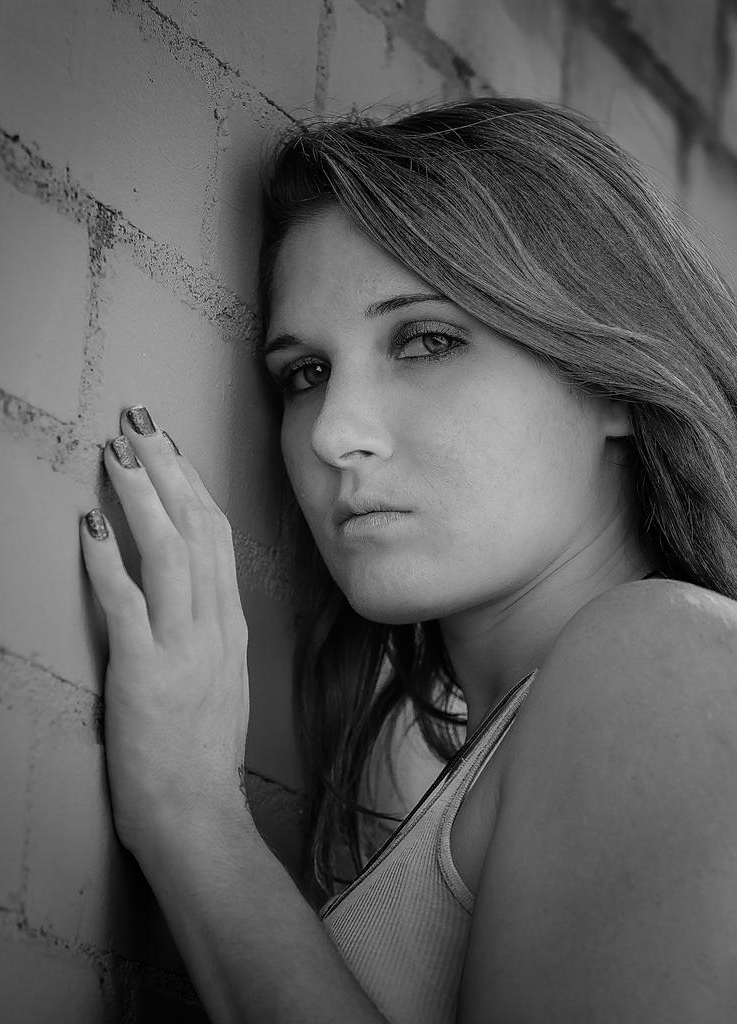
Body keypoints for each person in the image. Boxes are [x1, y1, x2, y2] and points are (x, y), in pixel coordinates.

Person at [79, 97, 737, 1023]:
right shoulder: (553, 723)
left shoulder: (662, 652)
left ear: (611, 382)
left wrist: (191, 814)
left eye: (427, 341)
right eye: (305, 374)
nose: (334, 432)